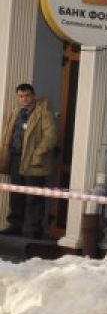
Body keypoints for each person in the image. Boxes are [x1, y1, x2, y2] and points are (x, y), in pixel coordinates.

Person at [0, 83, 57, 238]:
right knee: (16, 194)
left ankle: (33, 228)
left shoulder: (43, 112)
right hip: (16, 158)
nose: (24, 99)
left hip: (33, 161)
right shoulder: (16, 112)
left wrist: (37, 154)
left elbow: (50, 136)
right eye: (21, 96)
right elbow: (8, 134)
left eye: (26, 95)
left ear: (33, 95)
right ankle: (15, 225)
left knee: (34, 196)